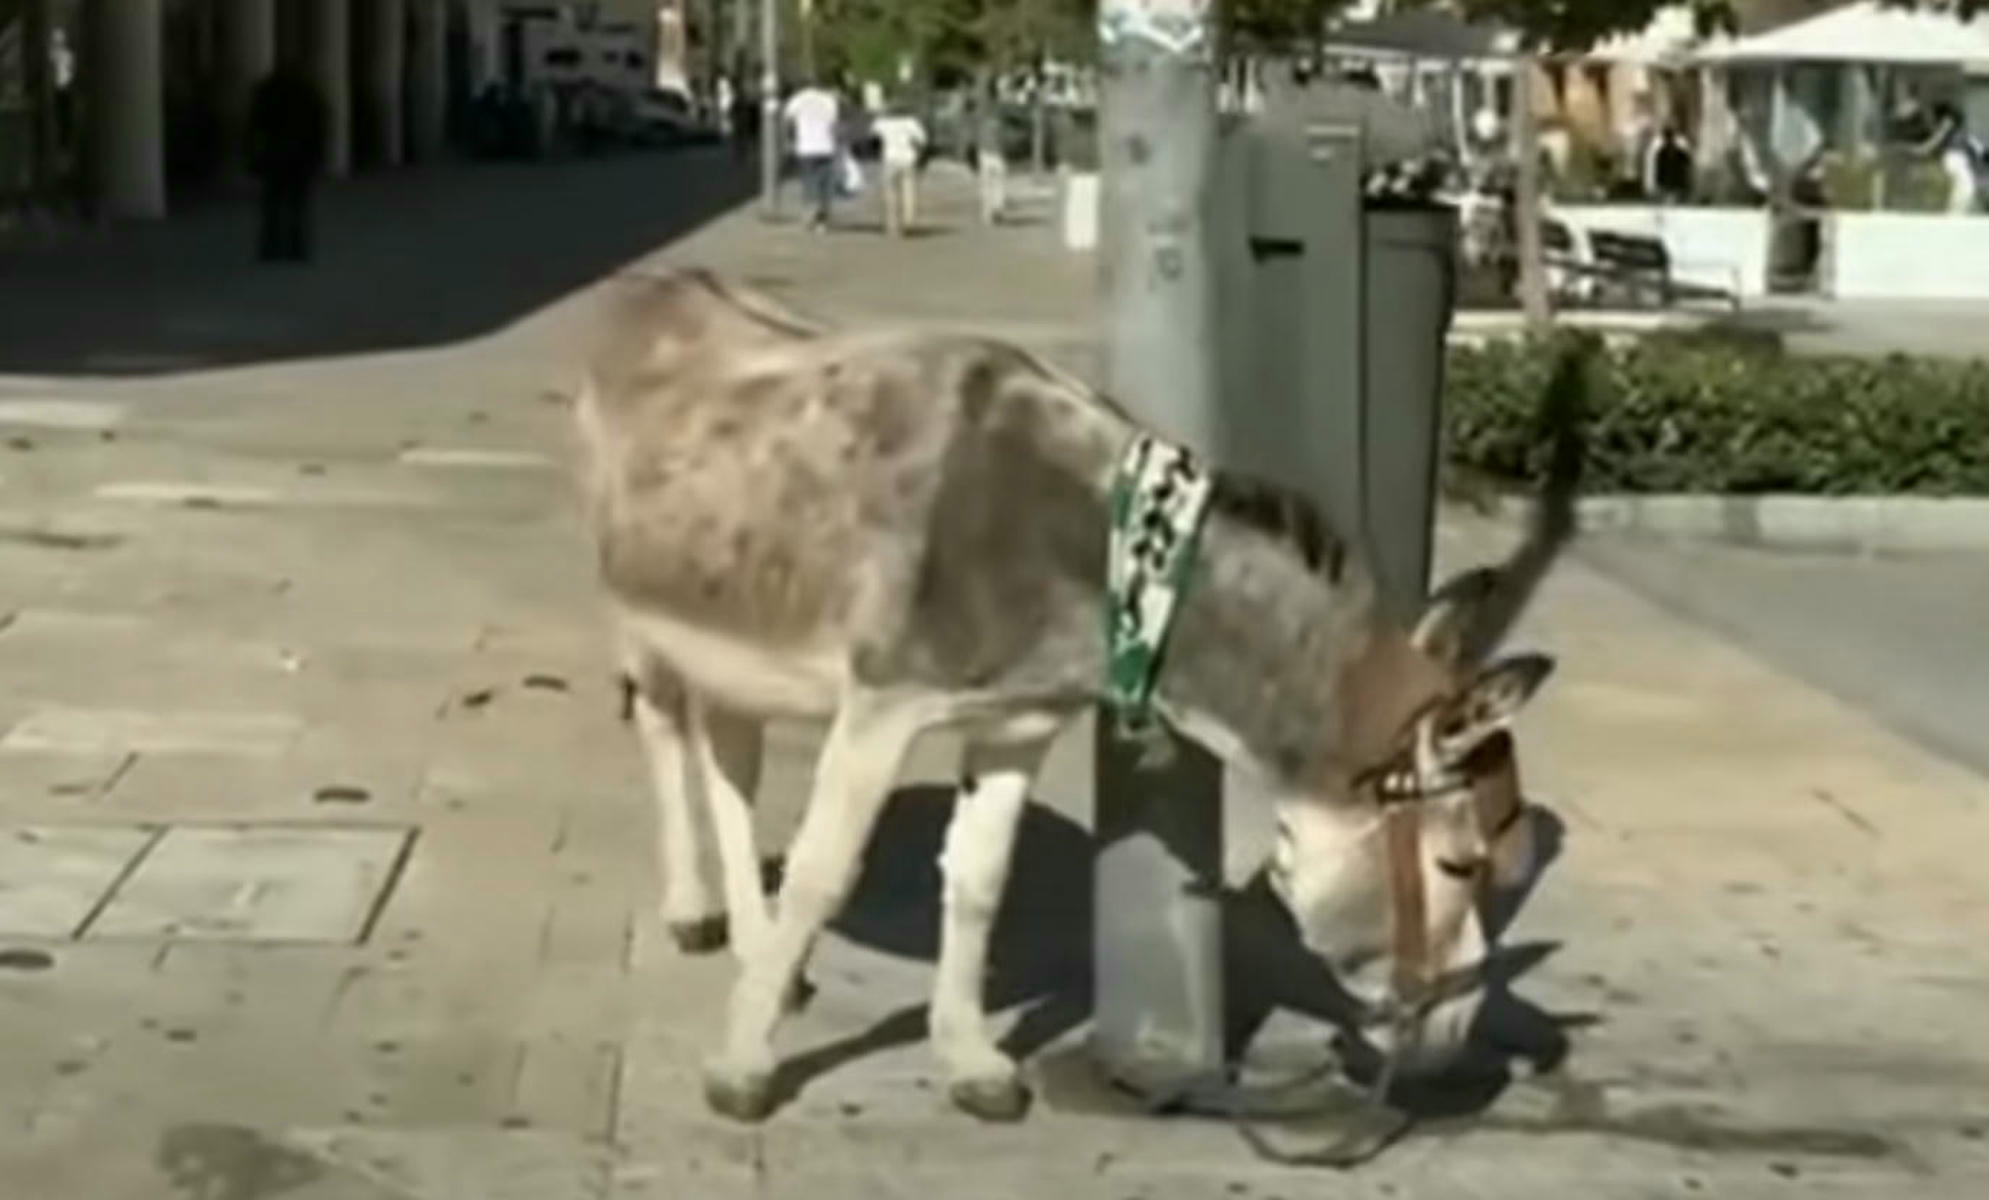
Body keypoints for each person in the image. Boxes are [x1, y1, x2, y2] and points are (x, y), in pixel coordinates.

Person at [246, 58, 329, 263]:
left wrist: (252, 155)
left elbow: (254, 125)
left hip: (275, 155)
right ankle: (296, 247)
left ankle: (270, 247)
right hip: (300, 156)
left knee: (273, 204)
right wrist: (318, 156)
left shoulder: (268, 91)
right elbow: (320, 127)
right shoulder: (308, 93)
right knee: (297, 205)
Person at [782, 77, 842, 232]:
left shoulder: (797, 100)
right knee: (825, 184)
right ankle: (823, 220)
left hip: (806, 148)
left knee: (809, 182)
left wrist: (789, 141)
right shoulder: (828, 100)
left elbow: (787, 121)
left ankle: (810, 216)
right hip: (826, 147)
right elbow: (834, 125)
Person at [872, 101, 927, 237]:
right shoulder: (911, 122)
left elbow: (873, 136)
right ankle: (908, 220)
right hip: (908, 159)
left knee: (890, 193)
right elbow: (922, 140)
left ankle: (892, 226)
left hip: (889, 158)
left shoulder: (882, 123)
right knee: (909, 191)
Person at [1918, 101, 1981, 215]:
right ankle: (1954, 213)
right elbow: (1937, 138)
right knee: (1966, 186)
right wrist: (1925, 148)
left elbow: (1976, 147)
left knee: (1964, 186)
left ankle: (1955, 212)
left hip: (1957, 160)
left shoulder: (1961, 133)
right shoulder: (1948, 125)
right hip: (1954, 159)